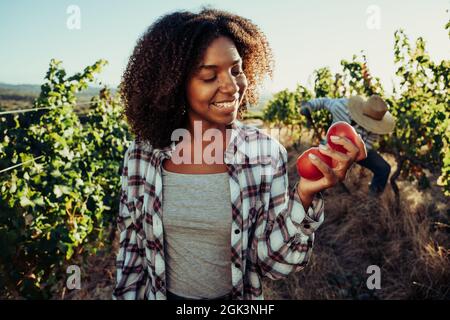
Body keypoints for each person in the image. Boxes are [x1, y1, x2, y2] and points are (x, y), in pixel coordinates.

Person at [113, 8, 366, 300]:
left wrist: (306, 195)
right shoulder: (143, 156)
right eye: (209, 76)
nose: (232, 87)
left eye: (237, 70)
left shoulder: (264, 153)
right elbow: (131, 250)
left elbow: (274, 265)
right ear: (173, 85)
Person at [300, 95, 395, 196]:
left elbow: (366, 146)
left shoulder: (377, 128)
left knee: (383, 168)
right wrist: (309, 106)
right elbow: (324, 101)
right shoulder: (341, 106)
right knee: (320, 168)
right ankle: (314, 196)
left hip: (360, 149)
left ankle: (371, 200)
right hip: (333, 145)